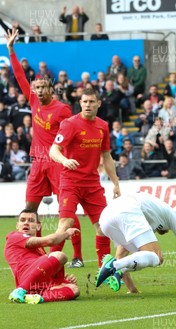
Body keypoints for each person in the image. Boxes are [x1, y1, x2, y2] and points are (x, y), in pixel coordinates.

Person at [5, 29, 85, 268]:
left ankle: (77, 255)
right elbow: (19, 75)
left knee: (66, 210)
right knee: (29, 208)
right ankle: (33, 248)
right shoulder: (32, 100)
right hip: (38, 162)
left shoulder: (62, 110)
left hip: (57, 162)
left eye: (42, 88)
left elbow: (70, 137)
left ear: (50, 89)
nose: (38, 91)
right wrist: (11, 49)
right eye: (35, 88)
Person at [49, 88, 121, 267]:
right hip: (70, 182)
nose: (87, 105)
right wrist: (64, 160)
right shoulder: (69, 124)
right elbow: (53, 150)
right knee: (66, 223)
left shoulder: (103, 125)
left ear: (98, 104)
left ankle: (103, 270)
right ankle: (48, 266)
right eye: (84, 102)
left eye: (91, 102)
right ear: (80, 103)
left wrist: (116, 183)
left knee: (104, 226)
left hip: (92, 184)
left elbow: (106, 156)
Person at [95, 193, 176, 292]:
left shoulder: (147, 214)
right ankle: (114, 266)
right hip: (127, 209)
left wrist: (133, 290)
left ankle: (115, 268)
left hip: (105, 219)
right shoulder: (171, 215)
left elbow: (120, 256)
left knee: (140, 255)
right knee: (157, 257)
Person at [5, 209, 80, 304]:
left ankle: (37, 298)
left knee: (73, 290)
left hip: (36, 284)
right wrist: (66, 234)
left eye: (31, 220)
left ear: (38, 226)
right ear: (17, 225)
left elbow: (43, 270)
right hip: (25, 278)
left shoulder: (39, 249)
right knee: (60, 255)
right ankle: (20, 290)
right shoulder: (15, 236)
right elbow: (50, 241)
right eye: (22, 220)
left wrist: (64, 280)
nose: (26, 223)